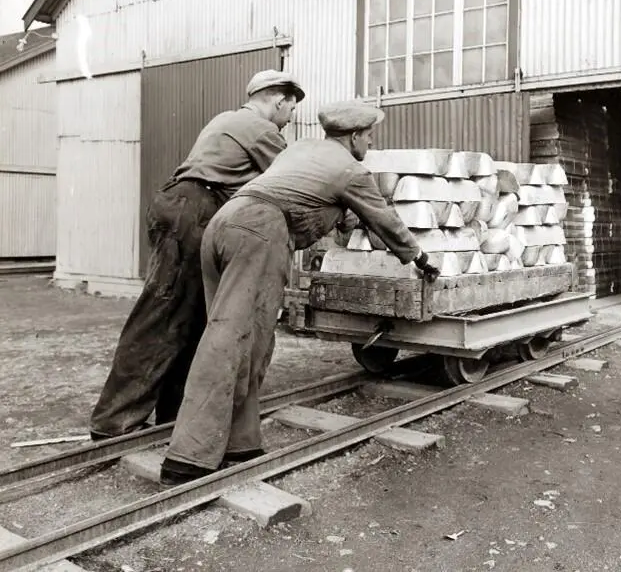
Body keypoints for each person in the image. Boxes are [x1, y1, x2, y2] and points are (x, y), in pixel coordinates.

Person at [160, 100, 440, 485]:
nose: (371, 143)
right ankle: (188, 457)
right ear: (355, 136)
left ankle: (241, 443)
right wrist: (419, 257)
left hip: (223, 226)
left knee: (250, 339)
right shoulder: (349, 169)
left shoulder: (303, 150)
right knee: (229, 339)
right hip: (260, 232)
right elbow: (385, 220)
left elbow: (336, 210)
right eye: (369, 135)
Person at [89, 70, 306, 440]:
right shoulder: (258, 128)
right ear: (279, 100)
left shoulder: (226, 121)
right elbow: (297, 178)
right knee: (163, 314)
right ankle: (114, 423)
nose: (289, 120)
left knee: (192, 318)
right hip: (195, 210)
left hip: (185, 207)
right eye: (291, 110)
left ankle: (171, 417)